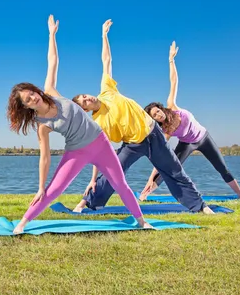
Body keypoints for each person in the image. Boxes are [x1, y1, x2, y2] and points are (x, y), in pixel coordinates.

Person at [6, 15, 152, 234]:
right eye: (27, 100)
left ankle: (142, 222)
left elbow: (52, 61)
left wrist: (51, 35)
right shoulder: (42, 125)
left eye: (32, 93)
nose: (33, 98)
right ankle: (23, 223)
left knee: (121, 184)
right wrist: (40, 187)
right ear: (26, 107)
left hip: (101, 144)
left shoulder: (51, 93)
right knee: (53, 191)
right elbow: (44, 157)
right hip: (76, 151)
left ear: (36, 91)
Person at [71, 20, 214, 214]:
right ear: (85, 110)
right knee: (113, 171)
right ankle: (86, 203)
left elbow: (106, 61)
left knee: (174, 171)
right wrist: (91, 179)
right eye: (84, 102)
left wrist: (104, 36)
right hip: (133, 144)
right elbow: (100, 153)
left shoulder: (106, 90)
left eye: (85, 95)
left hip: (154, 134)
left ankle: (200, 206)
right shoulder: (98, 123)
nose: (87, 98)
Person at [139, 41, 240, 200]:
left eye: (157, 111)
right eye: (154, 116)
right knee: (171, 167)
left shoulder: (172, 106)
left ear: (160, 108)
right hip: (187, 143)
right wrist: (150, 179)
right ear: (154, 119)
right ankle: (144, 195)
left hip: (204, 138)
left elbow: (173, 81)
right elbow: (161, 154)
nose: (158, 115)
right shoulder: (166, 130)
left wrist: (171, 60)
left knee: (222, 168)